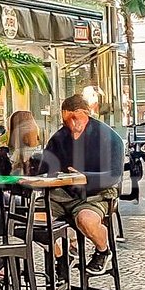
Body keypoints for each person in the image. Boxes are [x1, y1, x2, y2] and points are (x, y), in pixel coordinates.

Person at [40, 94, 125, 273]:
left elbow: (114, 175)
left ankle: (103, 251)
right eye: (66, 121)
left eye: (74, 118)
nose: (71, 125)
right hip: (62, 195)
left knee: (85, 220)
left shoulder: (109, 137)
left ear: (85, 113)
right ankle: (62, 257)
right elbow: (44, 167)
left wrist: (85, 177)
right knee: (30, 223)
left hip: (95, 195)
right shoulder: (60, 137)